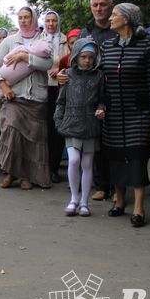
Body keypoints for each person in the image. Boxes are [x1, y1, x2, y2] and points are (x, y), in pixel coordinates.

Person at [100, 3, 150, 227]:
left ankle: (138, 207)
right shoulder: (108, 45)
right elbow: (102, 80)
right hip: (113, 112)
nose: (110, 18)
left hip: (139, 111)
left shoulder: (147, 45)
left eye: (115, 15)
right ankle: (119, 201)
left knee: (136, 157)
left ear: (127, 19)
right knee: (116, 155)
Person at [0, 6, 51, 190]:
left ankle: (28, 177)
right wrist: (3, 84)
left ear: (33, 19)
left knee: (32, 139)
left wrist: (26, 57)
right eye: (20, 17)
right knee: (11, 132)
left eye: (27, 17)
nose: (23, 21)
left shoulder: (43, 39)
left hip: (36, 97)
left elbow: (48, 63)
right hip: (13, 96)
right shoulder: (10, 41)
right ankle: (10, 173)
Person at [53, 38, 105, 217]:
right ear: (76, 56)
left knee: (87, 163)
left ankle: (84, 202)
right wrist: (58, 120)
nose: (87, 61)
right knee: (74, 160)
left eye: (91, 57)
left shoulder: (99, 76)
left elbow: (103, 99)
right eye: (83, 56)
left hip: (90, 124)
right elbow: (61, 100)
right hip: (71, 122)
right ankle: (74, 198)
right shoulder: (68, 74)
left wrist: (101, 109)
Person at [82, 0, 119, 202]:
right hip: (93, 92)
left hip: (117, 90)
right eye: (95, 5)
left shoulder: (119, 30)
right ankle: (101, 184)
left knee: (115, 140)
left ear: (110, 7)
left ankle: (118, 184)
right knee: (95, 141)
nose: (98, 9)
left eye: (102, 5)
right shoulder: (86, 33)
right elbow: (76, 59)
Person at [42, 9, 71, 185]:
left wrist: (60, 70)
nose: (51, 24)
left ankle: (53, 167)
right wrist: (47, 70)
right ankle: (42, 166)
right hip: (42, 88)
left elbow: (71, 61)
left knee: (56, 129)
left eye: (54, 21)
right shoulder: (39, 39)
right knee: (42, 128)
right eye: (48, 21)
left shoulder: (65, 40)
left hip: (60, 89)